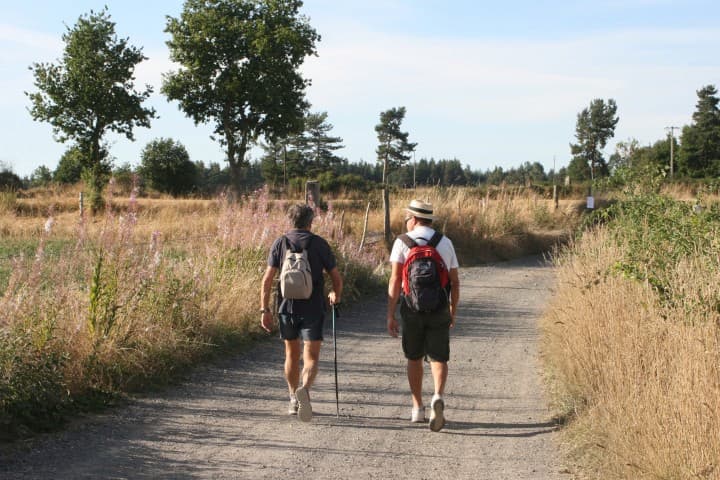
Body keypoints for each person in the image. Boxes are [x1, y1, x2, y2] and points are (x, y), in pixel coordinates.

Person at [260, 204, 343, 422]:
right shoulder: (319, 244)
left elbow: (267, 280)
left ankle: (292, 398)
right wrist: (335, 294)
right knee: (311, 356)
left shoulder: (280, 243)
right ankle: (304, 390)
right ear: (310, 221)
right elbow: (336, 277)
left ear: (290, 220)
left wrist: (264, 309)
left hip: (286, 307)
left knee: (291, 354)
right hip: (313, 307)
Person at [387, 199, 460, 432]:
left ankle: (417, 408)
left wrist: (391, 314)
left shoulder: (402, 242)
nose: (406, 221)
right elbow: (455, 282)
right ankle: (437, 396)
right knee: (439, 357)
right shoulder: (445, 242)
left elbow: (396, 280)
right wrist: (452, 310)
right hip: (438, 307)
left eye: (407, 217)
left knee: (414, 357)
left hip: (411, 308)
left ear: (414, 218)